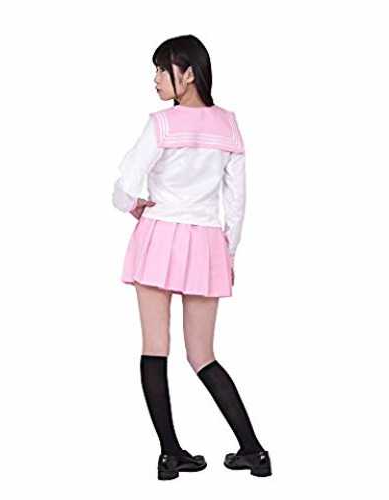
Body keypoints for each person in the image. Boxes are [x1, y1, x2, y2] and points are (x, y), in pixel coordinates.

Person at [112, 34, 271, 480]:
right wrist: (229, 253)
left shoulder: (161, 125)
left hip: (159, 236)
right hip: (206, 243)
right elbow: (236, 203)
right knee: (202, 355)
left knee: (154, 347)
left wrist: (132, 205)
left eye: (162, 70)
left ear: (186, 74)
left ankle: (170, 455)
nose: (156, 80)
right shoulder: (230, 125)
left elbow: (125, 183)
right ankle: (254, 452)